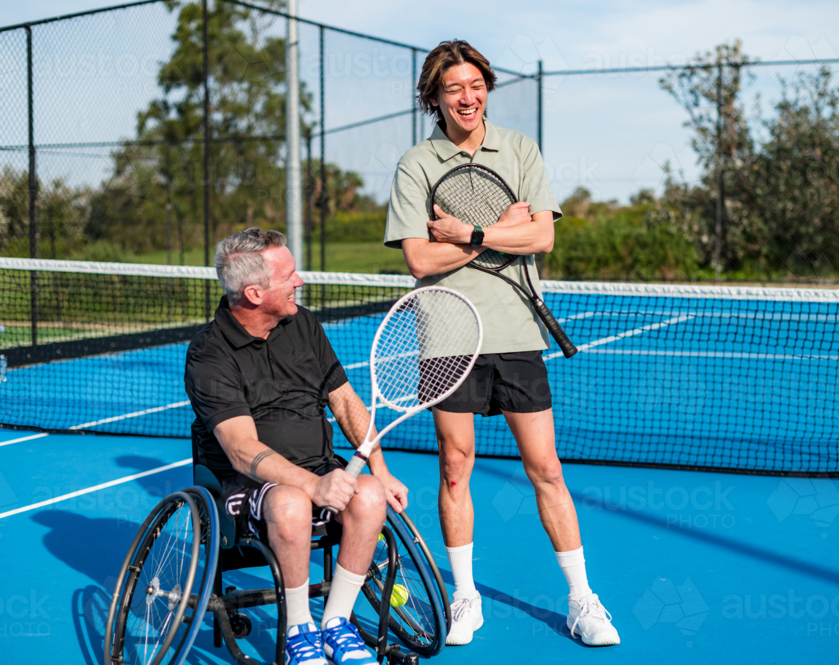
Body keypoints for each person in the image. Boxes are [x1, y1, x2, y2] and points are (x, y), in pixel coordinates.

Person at [383, 40, 619, 647]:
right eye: (453, 88)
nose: (468, 97)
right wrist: (503, 231)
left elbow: (542, 239)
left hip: (517, 333)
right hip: (446, 335)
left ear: (486, 87)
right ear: (434, 98)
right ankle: (465, 596)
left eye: (476, 85)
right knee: (455, 466)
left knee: (546, 468)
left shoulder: (518, 149)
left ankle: (582, 599)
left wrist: (472, 231)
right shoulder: (417, 164)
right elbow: (418, 258)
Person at [184, 228, 409, 665]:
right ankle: (297, 628)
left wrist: (378, 469)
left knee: (368, 495)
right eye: (288, 275)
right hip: (247, 487)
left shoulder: (302, 323)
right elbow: (241, 449)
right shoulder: (208, 354)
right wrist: (313, 486)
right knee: (290, 502)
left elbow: (344, 401)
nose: (299, 282)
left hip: (319, 467)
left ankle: (337, 623)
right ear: (253, 292)